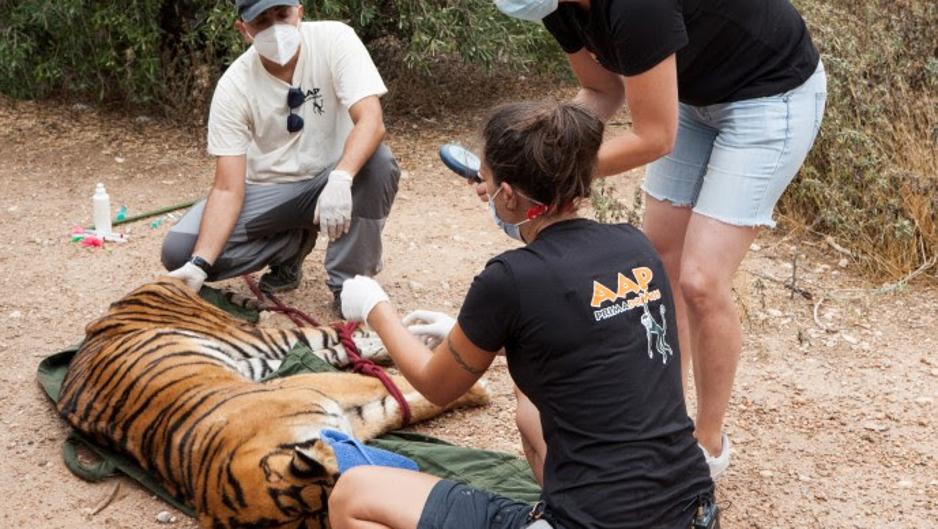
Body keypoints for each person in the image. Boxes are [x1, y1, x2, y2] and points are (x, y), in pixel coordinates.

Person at [329, 101, 715, 529]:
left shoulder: (511, 279)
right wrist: (465, 333)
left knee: (354, 495)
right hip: (693, 511)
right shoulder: (636, 246)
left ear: (508, 195)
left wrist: (375, 307)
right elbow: (593, 344)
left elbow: (436, 385)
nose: (484, 188)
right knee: (527, 396)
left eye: (487, 179)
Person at [493, 0, 828, 477]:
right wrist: (525, 154)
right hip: (695, 98)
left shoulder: (636, 7)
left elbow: (654, 137)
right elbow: (599, 90)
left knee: (701, 280)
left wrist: (544, 178)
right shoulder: (559, 6)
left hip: (770, 94)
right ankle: (663, 425)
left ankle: (707, 447)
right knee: (659, 264)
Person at [161, 0, 400, 313]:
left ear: (299, 11)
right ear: (243, 29)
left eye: (282, 14)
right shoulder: (234, 86)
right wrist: (200, 263)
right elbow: (227, 188)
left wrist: (341, 177)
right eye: (261, 20)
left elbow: (371, 120)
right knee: (179, 252)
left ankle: (350, 284)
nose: (275, 28)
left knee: (379, 163)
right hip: (269, 190)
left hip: (331, 179)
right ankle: (290, 248)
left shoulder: (335, 39)